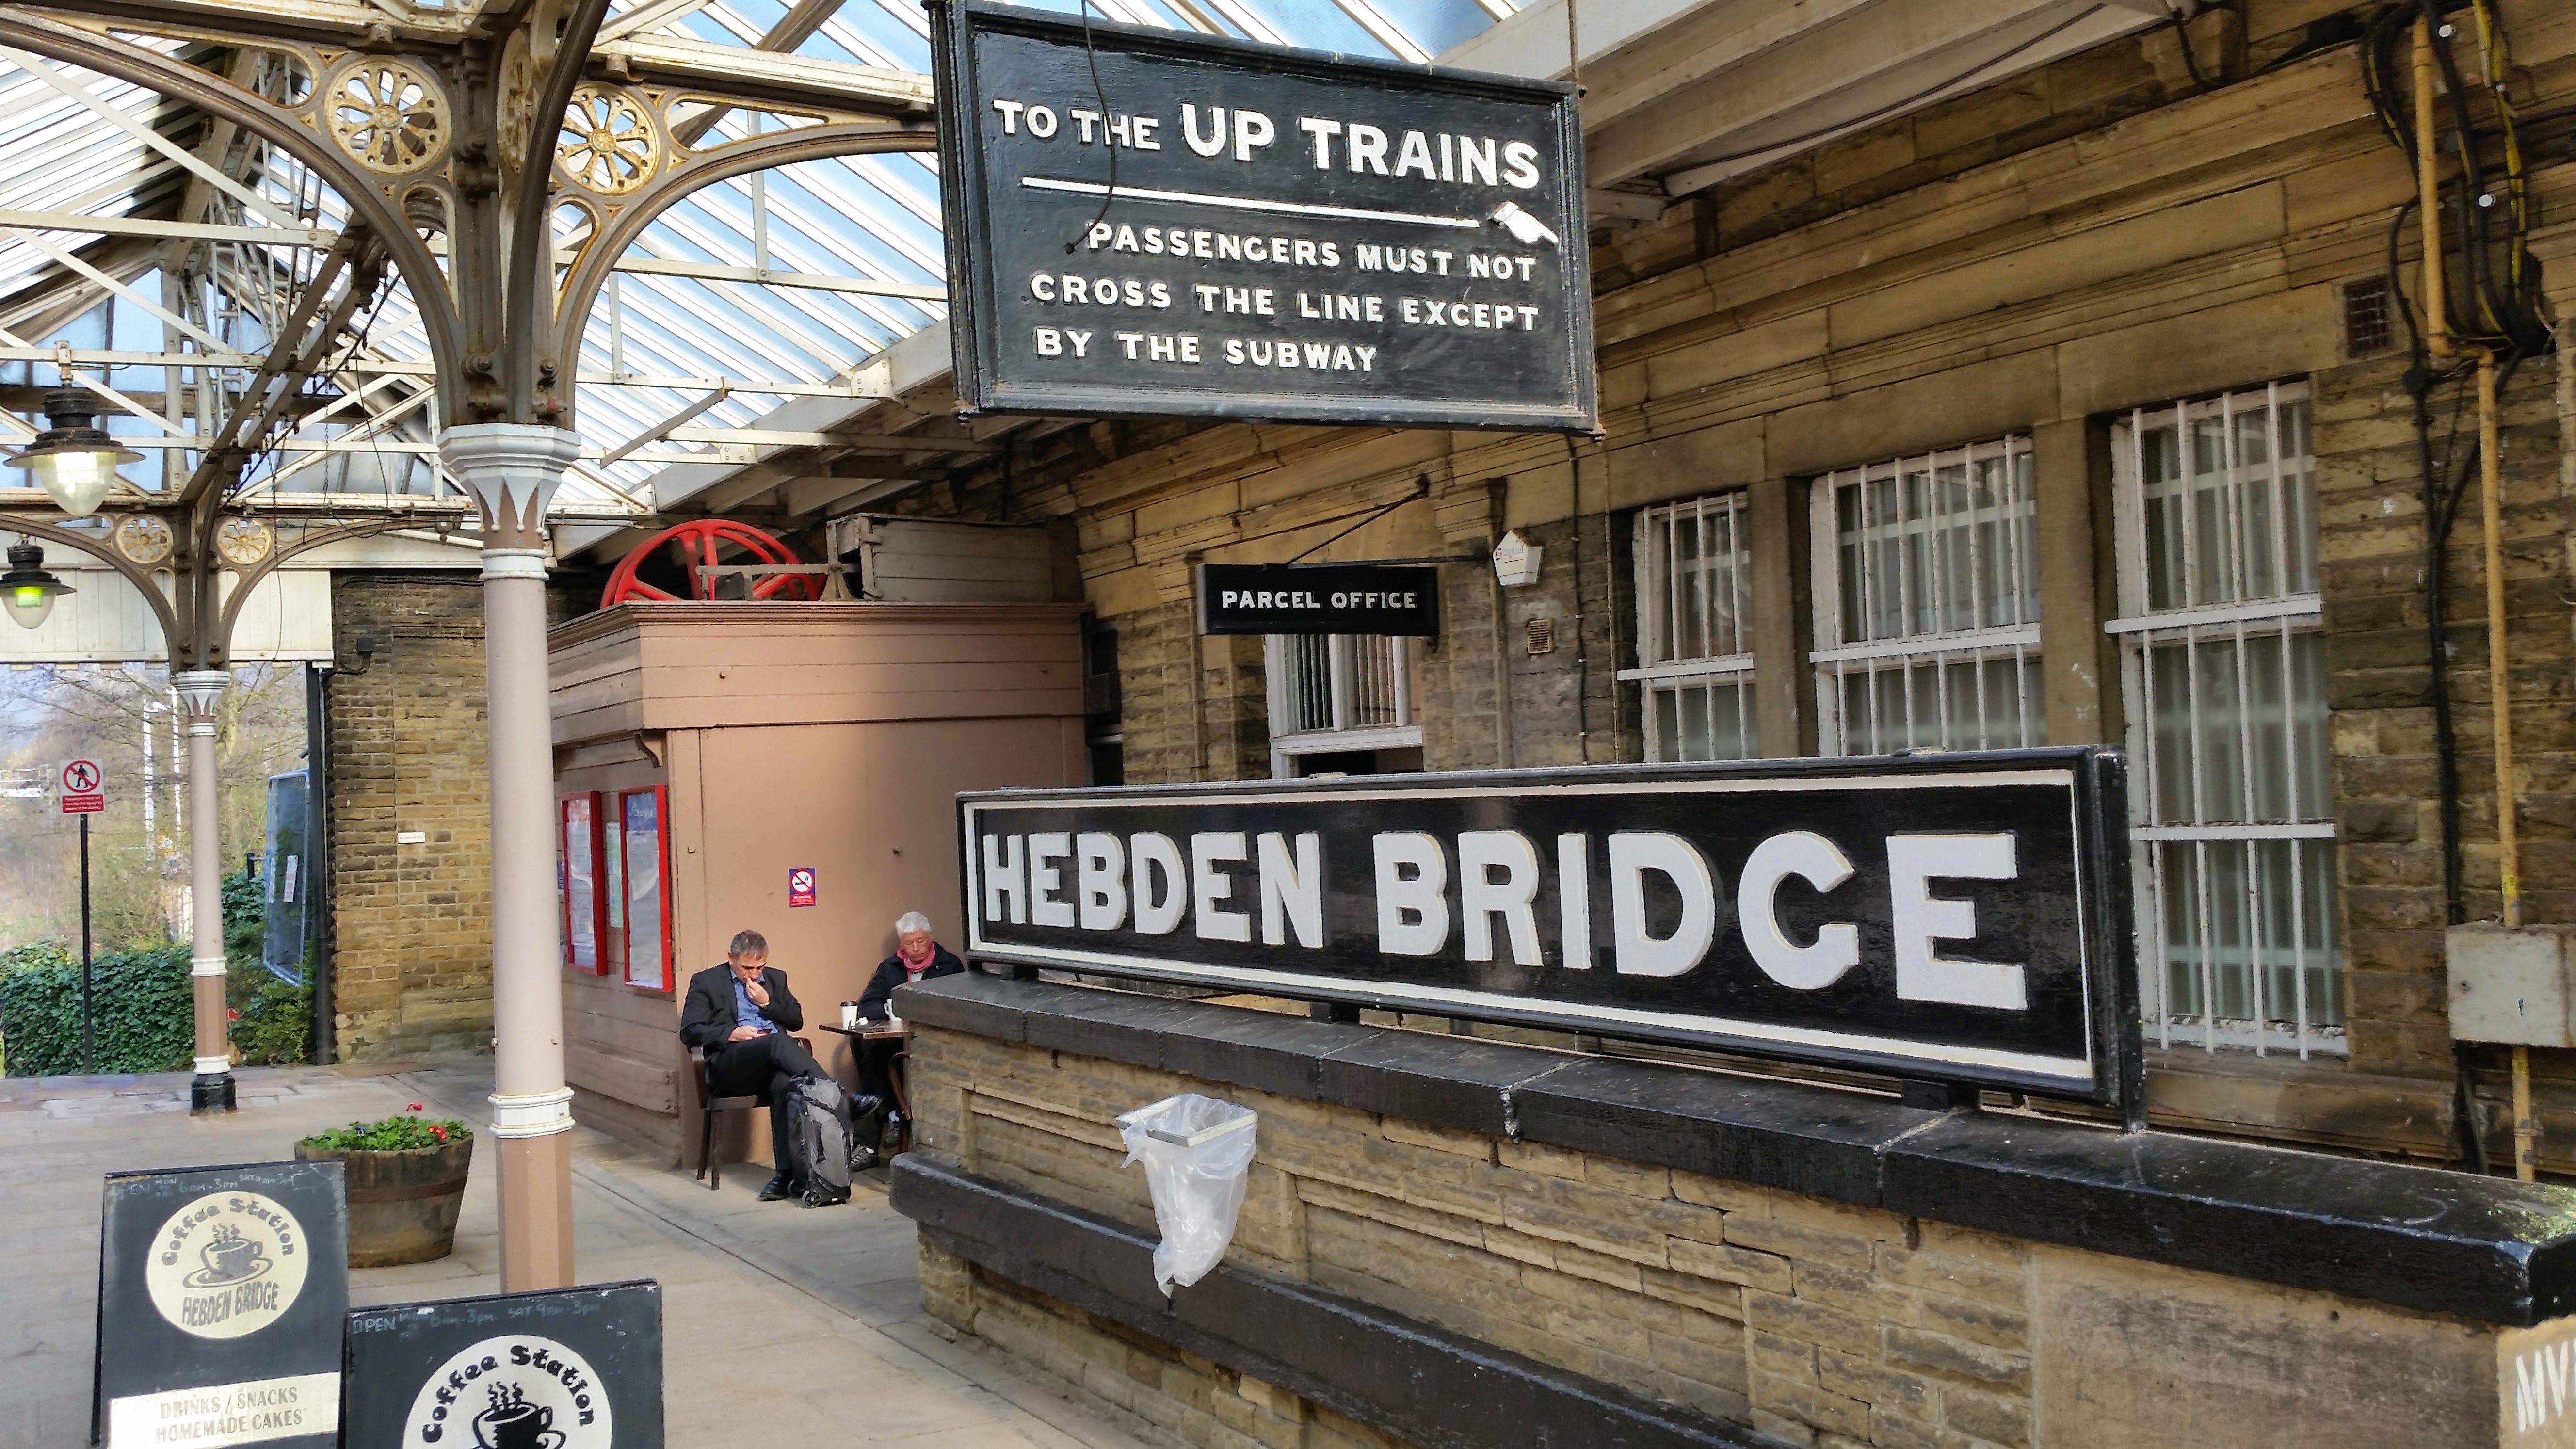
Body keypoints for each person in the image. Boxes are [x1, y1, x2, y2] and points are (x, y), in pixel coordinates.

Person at [680, 929, 859, 1201]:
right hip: (731, 1064)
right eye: (746, 968)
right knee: (776, 1043)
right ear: (731, 958)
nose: (753, 975)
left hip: (770, 1065)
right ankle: (841, 1095)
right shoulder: (706, 982)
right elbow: (690, 1030)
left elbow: (795, 1021)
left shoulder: (775, 979)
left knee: (785, 1084)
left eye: (759, 967)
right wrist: (731, 1033)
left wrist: (768, 1003)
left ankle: (784, 1176)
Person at [853, 912, 966, 1145]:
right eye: (909, 943)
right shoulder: (889, 968)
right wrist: (890, 1011)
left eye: (921, 941)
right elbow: (868, 1004)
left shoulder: (950, 965)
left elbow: (961, 1004)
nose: (915, 948)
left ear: (930, 938)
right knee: (876, 1056)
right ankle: (871, 1142)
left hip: (934, 1041)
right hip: (895, 1039)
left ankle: (899, 1120)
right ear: (901, 944)